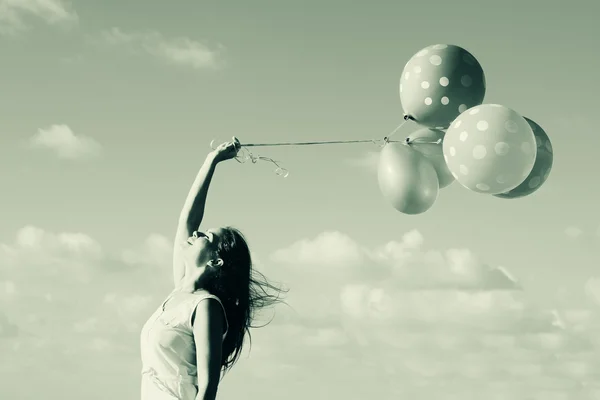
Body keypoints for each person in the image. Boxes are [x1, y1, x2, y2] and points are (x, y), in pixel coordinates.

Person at [140, 137, 285, 400]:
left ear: (215, 262)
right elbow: (188, 219)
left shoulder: (206, 306)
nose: (195, 234)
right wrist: (212, 161)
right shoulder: (179, 293)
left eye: (206, 236)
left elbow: (208, 389)